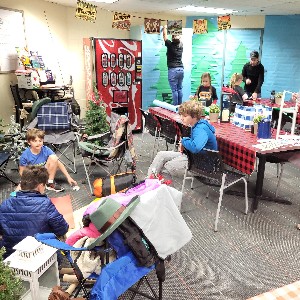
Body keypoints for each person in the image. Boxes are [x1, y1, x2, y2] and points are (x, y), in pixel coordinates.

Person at [0, 166, 69, 258]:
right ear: (40, 186)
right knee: (61, 236)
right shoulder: (45, 204)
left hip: (10, 258)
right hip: (40, 258)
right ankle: (58, 265)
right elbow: (62, 228)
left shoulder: (5, 204)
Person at [147, 100, 218, 177]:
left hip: (202, 165)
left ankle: (161, 187)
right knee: (161, 155)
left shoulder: (201, 129)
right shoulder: (195, 125)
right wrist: (184, 144)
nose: (181, 118)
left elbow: (195, 147)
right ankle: (148, 182)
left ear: (194, 116)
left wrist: (184, 141)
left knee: (167, 168)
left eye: (185, 116)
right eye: (181, 115)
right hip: (193, 157)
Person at [19, 128, 77, 192]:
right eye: (35, 141)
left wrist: (68, 177)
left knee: (54, 158)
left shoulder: (46, 149)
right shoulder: (25, 155)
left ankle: (49, 183)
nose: (38, 143)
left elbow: (57, 162)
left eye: (40, 141)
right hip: (33, 175)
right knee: (21, 190)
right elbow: (22, 172)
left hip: (44, 173)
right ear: (29, 142)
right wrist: (29, 182)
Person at [163, 25, 184, 106]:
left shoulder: (170, 45)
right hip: (181, 69)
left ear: (172, 38)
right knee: (179, 88)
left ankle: (175, 107)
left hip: (173, 70)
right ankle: (180, 106)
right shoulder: (181, 45)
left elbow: (164, 36)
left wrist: (165, 27)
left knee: (174, 90)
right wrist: (176, 29)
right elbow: (179, 38)